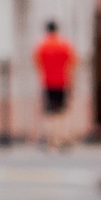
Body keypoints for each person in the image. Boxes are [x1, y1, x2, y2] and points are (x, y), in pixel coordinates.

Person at [33, 21, 76, 149]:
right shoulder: (64, 45)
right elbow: (73, 63)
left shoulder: (42, 46)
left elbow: (37, 64)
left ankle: (51, 139)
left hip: (47, 82)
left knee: (49, 112)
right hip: (63, 81)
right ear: (57, 30)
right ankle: (62, 137)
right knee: (62, 112)